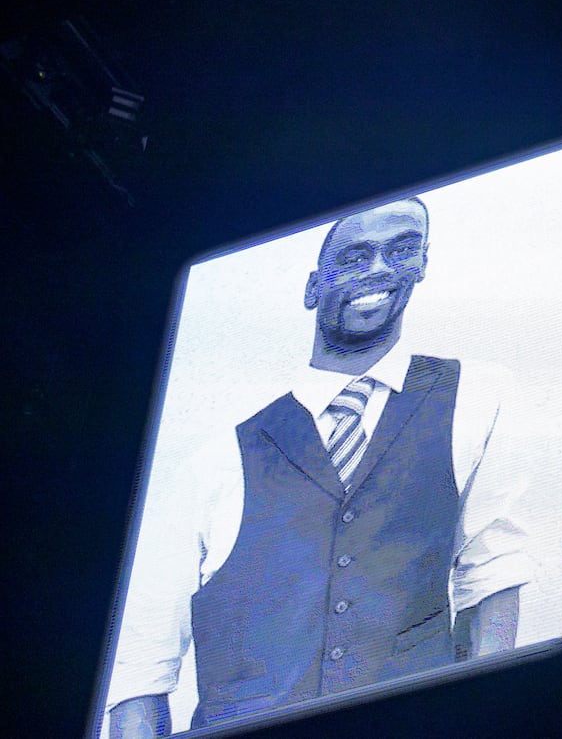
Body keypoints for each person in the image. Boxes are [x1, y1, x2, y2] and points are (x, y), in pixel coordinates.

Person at [107, 197, 533, 737]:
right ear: (312, 288)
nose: (379, 268)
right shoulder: (212, 464)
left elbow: (493, 577)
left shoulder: (478, 397)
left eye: (402, 250)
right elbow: (139, 671)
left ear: (422, 266)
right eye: (355, 256)